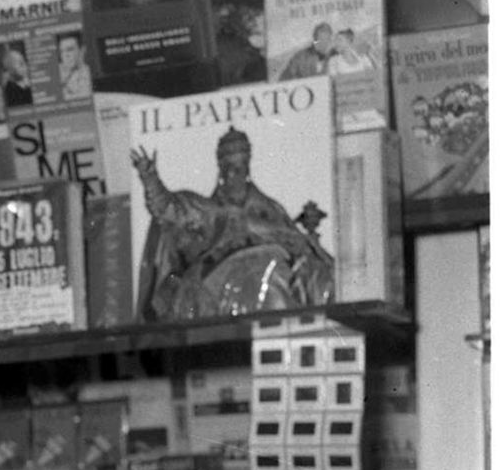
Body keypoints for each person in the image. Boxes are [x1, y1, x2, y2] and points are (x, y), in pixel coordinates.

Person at [131, 125, 335, 320]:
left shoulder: (269, 209)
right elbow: (169, 208)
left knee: (311, 274)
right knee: (265, 273)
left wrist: (309, 249)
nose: (233, 174)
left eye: (240, 167)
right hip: (220, 274)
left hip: (271, 269)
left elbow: (294, 240)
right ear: (221, 170)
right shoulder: (210, 212)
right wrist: (150, 179)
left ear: (247, 168)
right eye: (229, 167)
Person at [56, 28, 93, 100]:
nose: (65, 55)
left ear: (82, 51)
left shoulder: (89, 74)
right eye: (62, 51)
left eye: (69, 50)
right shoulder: (56, 73)